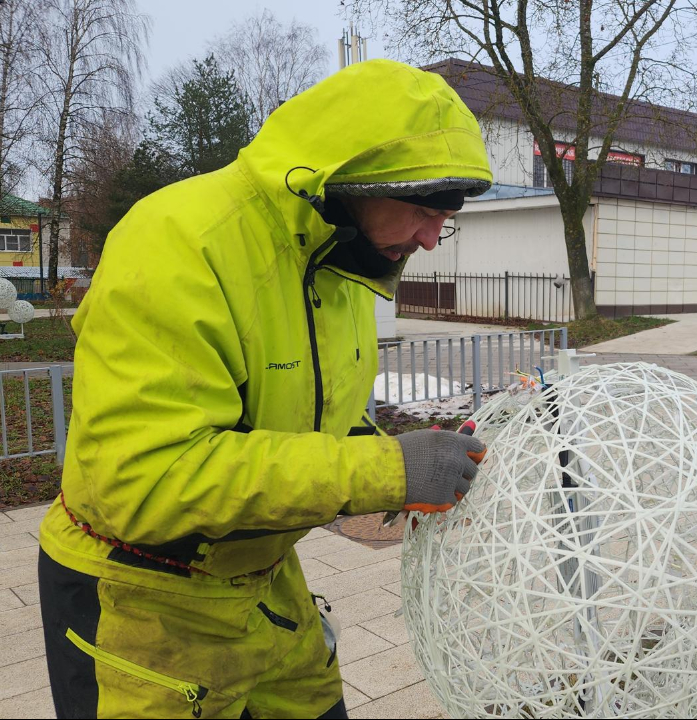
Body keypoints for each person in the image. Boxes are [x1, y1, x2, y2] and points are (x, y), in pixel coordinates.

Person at [36, 59, 492, 719]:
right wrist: (383, 470)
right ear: (346, 182)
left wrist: (399, 450)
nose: (429, 239)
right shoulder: (178, 241)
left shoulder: (342, 266)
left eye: (445, 219)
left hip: (265, 586)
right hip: (138, 598)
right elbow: (145, 478)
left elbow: (312, 423)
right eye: (422, 210)